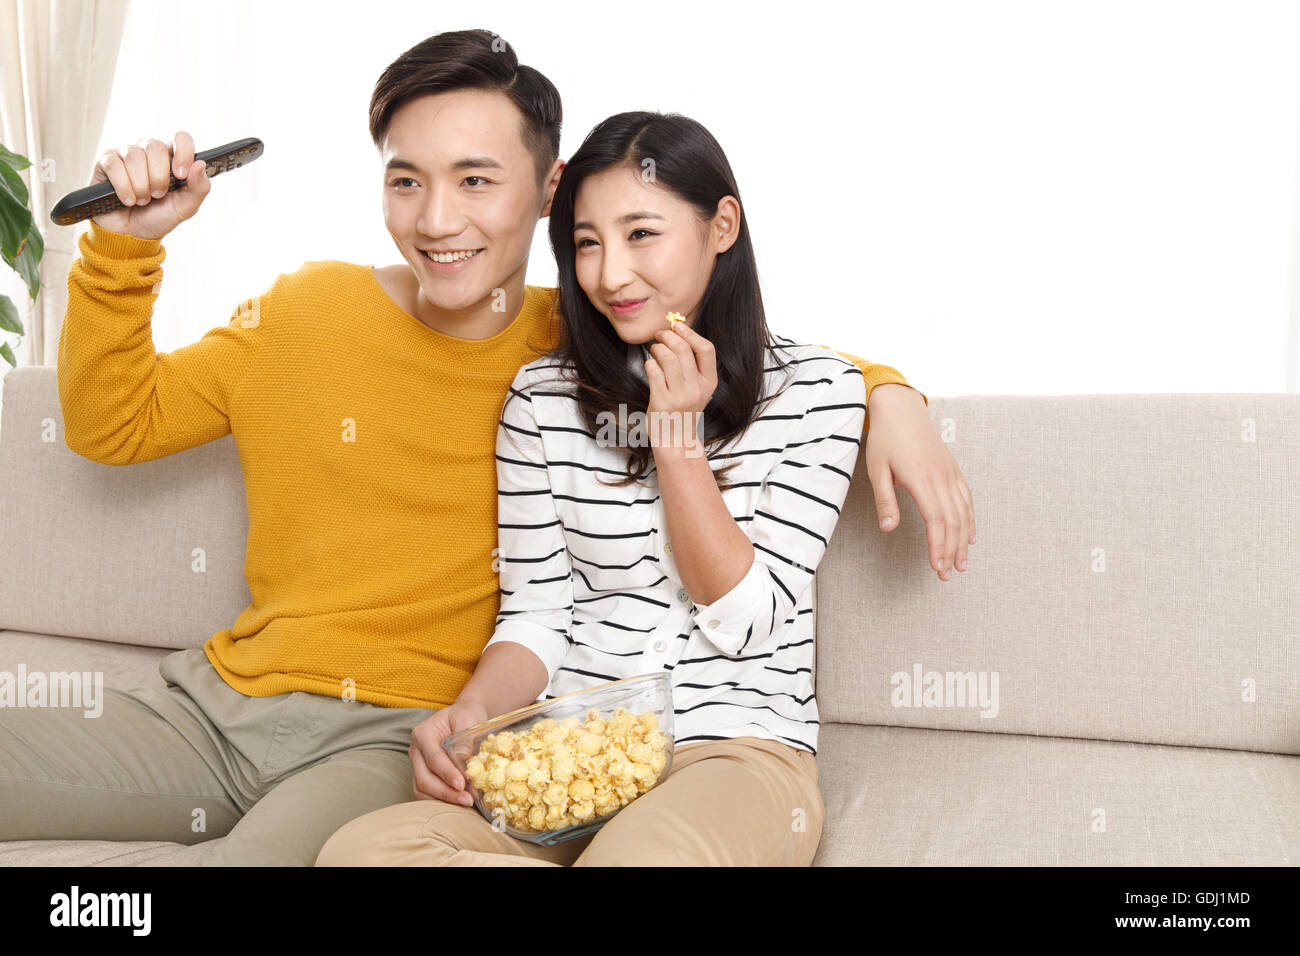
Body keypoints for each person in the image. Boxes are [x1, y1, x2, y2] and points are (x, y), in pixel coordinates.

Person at [0, 30, 972, 866]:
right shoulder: (311, 313)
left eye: (475, 180)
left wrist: (891, 395)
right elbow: (111, 425)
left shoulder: (585, 337)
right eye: (406, 180)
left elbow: (749, 352)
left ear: (547, 189)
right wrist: (127, 246)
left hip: (398, 739)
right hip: (218, 704)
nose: (436, 220)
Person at [316, 110, 893, 865]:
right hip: (572, 756)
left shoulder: (823, 392)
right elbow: (539, 612)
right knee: (359, 855)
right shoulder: (542, 398)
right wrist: (475, 713)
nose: (610, 274)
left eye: (641, 233)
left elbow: (748, 623)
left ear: (722, 225)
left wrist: (676, 441)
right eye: (587, 243)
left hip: (734, 755)